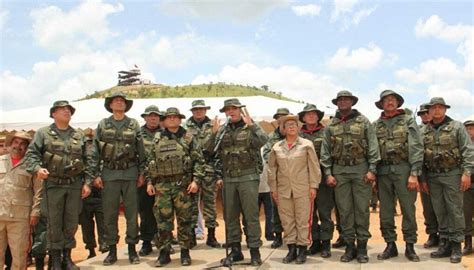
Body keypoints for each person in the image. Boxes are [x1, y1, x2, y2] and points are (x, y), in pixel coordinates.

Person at [25, 100, 93, 270]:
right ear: (53, 114)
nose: (66, 111)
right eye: (62, 109)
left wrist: (88, 183)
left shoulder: (79, 135)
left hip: (74, 185)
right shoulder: (43, 133)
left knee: (71, 223)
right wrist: (37, 169)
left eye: (69, 110)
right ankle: (55, 260)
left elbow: (88, 160)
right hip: (53, 185)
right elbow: (31, 155)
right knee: (54, 223)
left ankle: (67, 258)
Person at [320, 90, 380, 263]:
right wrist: (328, 173)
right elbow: (325, 151)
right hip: (339, 172)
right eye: (340, 100)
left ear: (352, 102)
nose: (343, 102)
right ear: (336, 103)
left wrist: (372, 169)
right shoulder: (331, 125)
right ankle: (349, 246)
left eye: (347, 99)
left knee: (361, 209)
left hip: (361, 169)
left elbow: (373, 146)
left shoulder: (363, 122)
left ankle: (362, 247)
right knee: (344, 211)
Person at [208, 98, 268, 266]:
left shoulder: (250, 126)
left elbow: (264, 140)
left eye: (234, 108)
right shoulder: (222, 130)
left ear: (241, 110)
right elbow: (208, 149)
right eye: (228, 109)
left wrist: (253, 125)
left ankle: (255, 251)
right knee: (230, 216)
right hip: (229, 178)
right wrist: (213, 134)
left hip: (248, 177)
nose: (231, 112)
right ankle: (235, 251)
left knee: (251, 216)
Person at [91, 92, 146, 265]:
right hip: (109, 174)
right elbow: (95, 152)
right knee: (110, 214)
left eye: (122, 101)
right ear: (111, 105)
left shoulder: (133, 124)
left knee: (131, 213)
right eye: (116, 101)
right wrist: (95, 174)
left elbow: (141, 150)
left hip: (130, 173)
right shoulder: (103, 124)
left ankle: (131, 249)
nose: (120, 103)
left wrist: (142, 173)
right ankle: (112, 250)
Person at [146, 107, 204, 267]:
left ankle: (185, 253)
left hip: (183, 186)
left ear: (179, 119)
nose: (172, 119)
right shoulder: (157, 139)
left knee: (185, 220)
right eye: (169, 117)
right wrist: (150, 182)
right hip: (162, 187)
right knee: (163, 221)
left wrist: (196, 181)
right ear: (164, 121)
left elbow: (199, 161)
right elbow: (150, 161)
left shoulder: (188, 138)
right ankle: (164, 253)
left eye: (175, 117)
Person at [421, 97, 474, 263]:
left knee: (455, 210)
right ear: (429, 111)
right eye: (433, 108)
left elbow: (468, 150)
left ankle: (457, 245)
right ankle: (444, 244)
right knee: (439, 210)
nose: (436, 110)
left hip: (453, 175)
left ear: (445, 109)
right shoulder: (424, 131)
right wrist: (422, 178)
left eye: (440, 107)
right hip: (433, 176)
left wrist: (467, 173)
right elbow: (419, 155)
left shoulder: (456, 126)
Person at [373, 90, 423, 262]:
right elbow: (372, 150)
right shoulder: (376, 125)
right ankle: (390, 245)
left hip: (404, 170)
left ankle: (410, 246)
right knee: (386, 211)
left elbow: (416, 146)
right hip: (383, 172)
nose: (390, 102)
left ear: (398, 103)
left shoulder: (408, 120)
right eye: (386, 100)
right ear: (381, 104)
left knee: (408, 209)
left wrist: (414, 173)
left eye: (393, 99)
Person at [268, 114, 321, 264]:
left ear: (298, 127)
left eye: (294, 124)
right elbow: (272, 169)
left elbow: (314, 167)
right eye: (287, 125)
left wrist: (314, 186)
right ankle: (291, 249)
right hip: (283, 190)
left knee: (303, 220)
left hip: (303, 189)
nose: (291, 127)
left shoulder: (306, 145)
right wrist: (274, 188)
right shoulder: (277, 147)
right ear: (283, 129)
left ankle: (302, 249)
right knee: (287, 220)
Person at [0, 132, 42, 269]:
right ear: (10, 144)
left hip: (20, 217)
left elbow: (38, 191)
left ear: (27, 147)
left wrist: (35, 211)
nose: (18, 146)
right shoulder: (0, 161)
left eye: (23, 144)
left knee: (19, 256)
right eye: (16, 142)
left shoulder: (32, 166)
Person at [298, 104, 335, 258]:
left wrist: (329, 174)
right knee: (309, 214)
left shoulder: (326, 131)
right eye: (308, 114)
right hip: (305, 180)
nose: (311, 116)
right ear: (303, 118)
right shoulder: (299, 135)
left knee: (325, 212)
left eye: (314, 114)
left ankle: (326, 243)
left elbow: (331, 153)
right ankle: (315, 242)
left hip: (322, 178)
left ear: (318, 116)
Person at [184, 100, 221, 248]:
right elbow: (188, 147)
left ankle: (211, 236)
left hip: (209, 169)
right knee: (191, 204)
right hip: (192, 170)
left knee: (210, 204)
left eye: (201, 109)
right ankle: (192, 235)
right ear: (192, 111)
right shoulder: (185, 126)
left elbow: (212, 149)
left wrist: (213, 135)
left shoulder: (213, 125)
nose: (198, 112)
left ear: (205, 110)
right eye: (196, 110)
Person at [261, 108, 290, 248]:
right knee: (276, 208)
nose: (281, 119)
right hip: (277, 177)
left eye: (284, 117)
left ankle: (292, 237)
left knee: (294, 208)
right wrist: (277, 162)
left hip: (295, 177)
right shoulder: (271, 136)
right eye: (279, 117)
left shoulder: (296, 133)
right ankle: (278, 236)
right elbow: (266, 153)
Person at [79, 129, 107, 259]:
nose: (89, 145)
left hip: (101, 192)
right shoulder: (79, 154)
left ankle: (104, 247)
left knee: (103, 222)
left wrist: (98, 176)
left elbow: (105, 165)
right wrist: (91, 179)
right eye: (87, 142)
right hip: (85, 194)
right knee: (86, 224)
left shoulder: (102, 151)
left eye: (91, 142)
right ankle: (91, 249)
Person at [138, 105, 162, 256]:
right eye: (150, 116)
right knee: (146, 211)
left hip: (163, 178)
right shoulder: (138, 134)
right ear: (145, 118)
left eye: (156, 116)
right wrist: (140, 174)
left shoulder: (166, 133)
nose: (153, 118)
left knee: (163, 211)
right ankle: (146, 242)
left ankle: (162, 242)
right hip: (144, 178)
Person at [417, 103, 440, 248]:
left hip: (444, 173)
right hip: (424, 173)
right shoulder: (417, 131)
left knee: (444, 207)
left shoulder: (444, 127)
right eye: (421, 114)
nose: (425, 115)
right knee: (428, 207)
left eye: (426, 112)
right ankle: (432, 234)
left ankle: (445, 236)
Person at [463, 120, 474, 255]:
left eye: (472, 128)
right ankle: (468, 243)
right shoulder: (461, 146)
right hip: (466, 185)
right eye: (468, 129)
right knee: (466, 214)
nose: (470, 131)